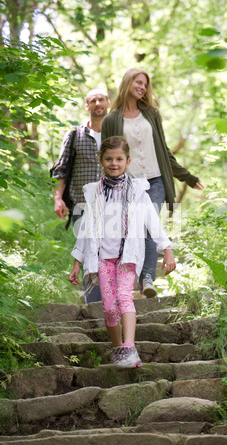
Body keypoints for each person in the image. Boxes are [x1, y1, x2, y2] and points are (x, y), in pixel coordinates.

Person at [68, 136, 176, 368]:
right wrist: (77, 261)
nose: (113, 163)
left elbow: (151, 221)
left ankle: (129, 347)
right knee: (108, 308)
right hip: (103, 259)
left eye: (119, 159)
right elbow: (85, 228)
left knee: (124, 297)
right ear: (101, 161)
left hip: (127, 257)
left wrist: (166, 249)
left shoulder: (137, 192)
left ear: (127, 161)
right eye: (109, 159)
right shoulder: (95, 193)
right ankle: (118, 348)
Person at [101, 69, 203, 298]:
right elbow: (106, 155)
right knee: (132, 230)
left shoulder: (151, 114)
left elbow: (163, 150)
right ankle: (130, 278)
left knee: (148, 225)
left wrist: (186, 176)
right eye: (138, 82)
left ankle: (147, 278)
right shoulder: (111, 119)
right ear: (127, 82)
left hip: (155, 180)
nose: (142, 88)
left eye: (145, 85)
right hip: (129, 184)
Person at [52, 88, 110, 303]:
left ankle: (110, 301)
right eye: (92, 100)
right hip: (81, 204)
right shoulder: (75, 134)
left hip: (111, 204)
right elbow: (61, 168)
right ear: (87, 106)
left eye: (101, 99)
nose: (97, 103)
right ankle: (94, 304)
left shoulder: (116, 135)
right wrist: (58, 198)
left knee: (109, 252)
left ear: (108, 103)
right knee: (88, 251)